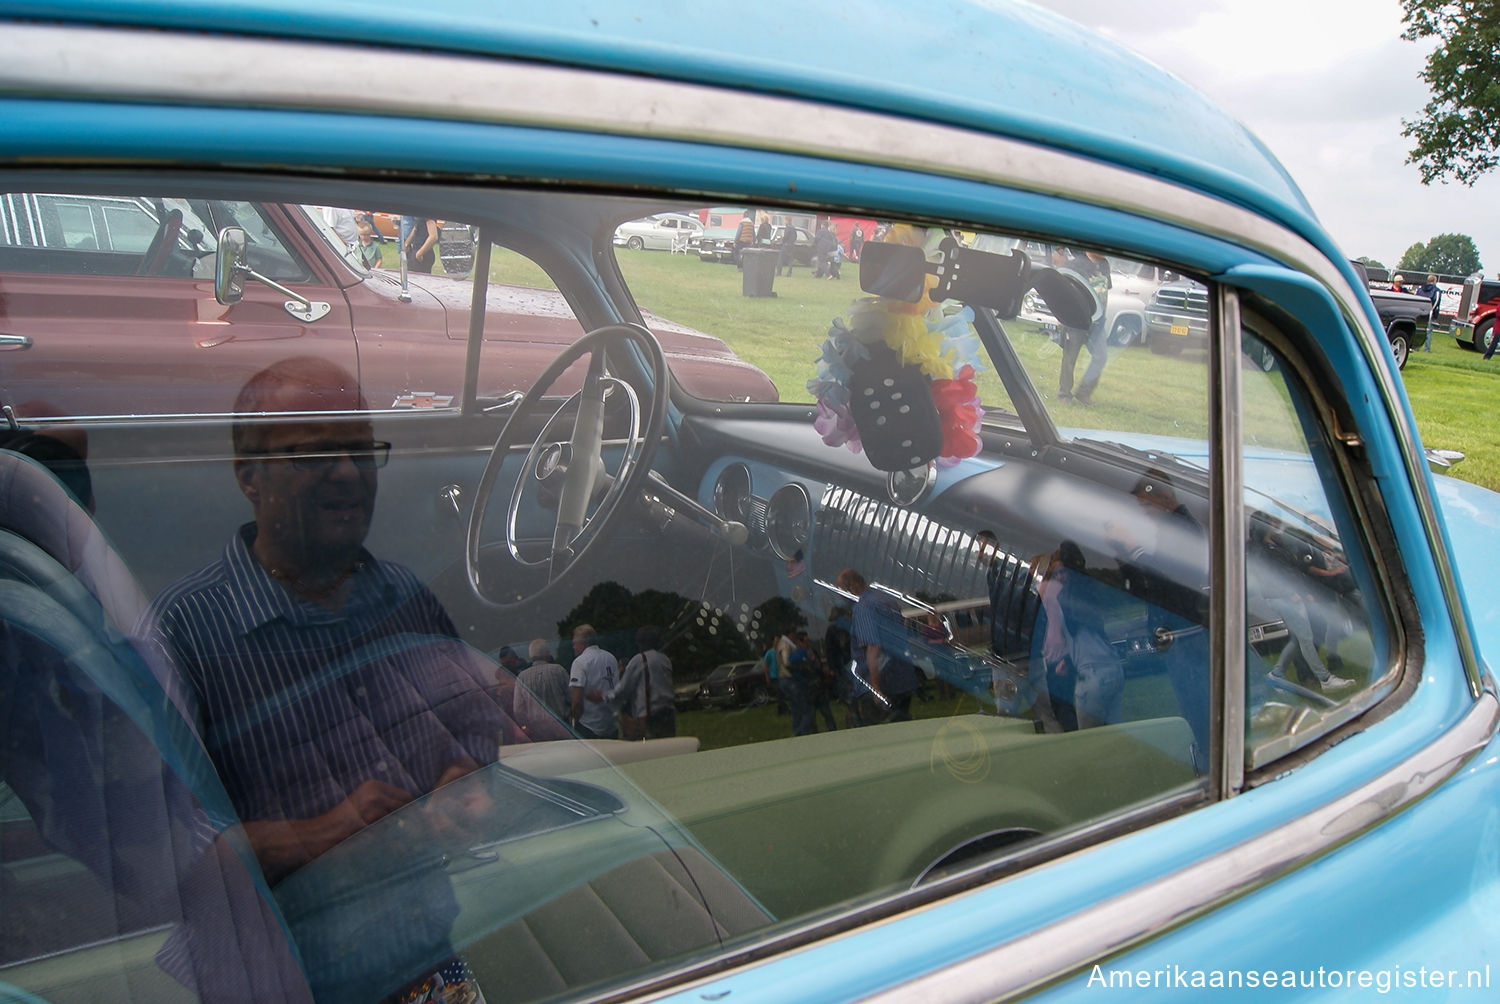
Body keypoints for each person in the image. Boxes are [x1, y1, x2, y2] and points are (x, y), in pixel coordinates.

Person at [144, 356, 549, 999]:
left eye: (361, 451)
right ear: (249, 476)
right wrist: (329, 832)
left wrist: (463, 781)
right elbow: (161, 853)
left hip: (425, 955)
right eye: (314, 454)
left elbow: (474, 724)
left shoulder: (403, 596)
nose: (347, 474)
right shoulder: (183, 633)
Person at [1105, 469, 1210, 770]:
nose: (1147, 517)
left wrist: (1130, 547)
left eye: (1148, 508)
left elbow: (1164, 579)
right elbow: (1147, 588)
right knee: (1193, 711)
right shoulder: (1173, 530)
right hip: (1179, 637)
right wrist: (1122, 554)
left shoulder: (1184, 530)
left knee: (1198, 712)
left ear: (1167, 499)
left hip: (1185, 637)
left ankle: (1207, 765)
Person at [1035, 540, 1124, 729]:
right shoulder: (1089, 590)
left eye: (1062, 572)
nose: (1060, 577)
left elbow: (1073, 630)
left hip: (1091, 673)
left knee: (1089, 740)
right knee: (1117, 737)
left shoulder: (1064, 596)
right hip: (1113, 667)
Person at [836, 567, 922, 723]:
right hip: (902, 680)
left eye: (842, 590)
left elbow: (873, 647)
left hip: (881, 685)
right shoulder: (887, 601)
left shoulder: (863, 608)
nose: (841, 596)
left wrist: (875, 689)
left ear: (854, 585)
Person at [609, 626, 676, 739]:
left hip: (651, 715)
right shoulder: (665, 659)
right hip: (668, 713)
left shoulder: (639, 659)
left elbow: (623, 688)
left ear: (640, 643)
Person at [568, 623, 619, 739]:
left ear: (582, 643)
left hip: (589, 726)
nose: (573, 647)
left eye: (574, 643)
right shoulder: (611, 658)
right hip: (611, 723)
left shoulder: (579, 663)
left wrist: (574, 722)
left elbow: (577, 701)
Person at [514, 638, 570, 734]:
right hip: (561, 728)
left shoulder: (522, 677)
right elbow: (572, 698)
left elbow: (518, 710)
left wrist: (527, 725)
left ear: (531, 656)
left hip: (536, 732)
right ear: (547, 653)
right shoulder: (559, 671)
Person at [775, 628, 815, 735]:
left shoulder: (781, 643)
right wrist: (801, 666)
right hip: (788, 679)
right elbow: (786, 662)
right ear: (790, 634)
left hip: (784, 679)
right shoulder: (785, 644)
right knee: (805, 710)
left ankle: (797, 732)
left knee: (795, 709)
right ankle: (803, 732)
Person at [1416, 273, 1440, 351]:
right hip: (1430, 313)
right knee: (1429, 331)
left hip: (1419, 311)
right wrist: (1431, 310)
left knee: (1419, 329)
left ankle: (1416, 347)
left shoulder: (1420, 289)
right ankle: (1426, 349)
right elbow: (1436, 301)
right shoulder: (1436, 290)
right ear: (1434, 281)